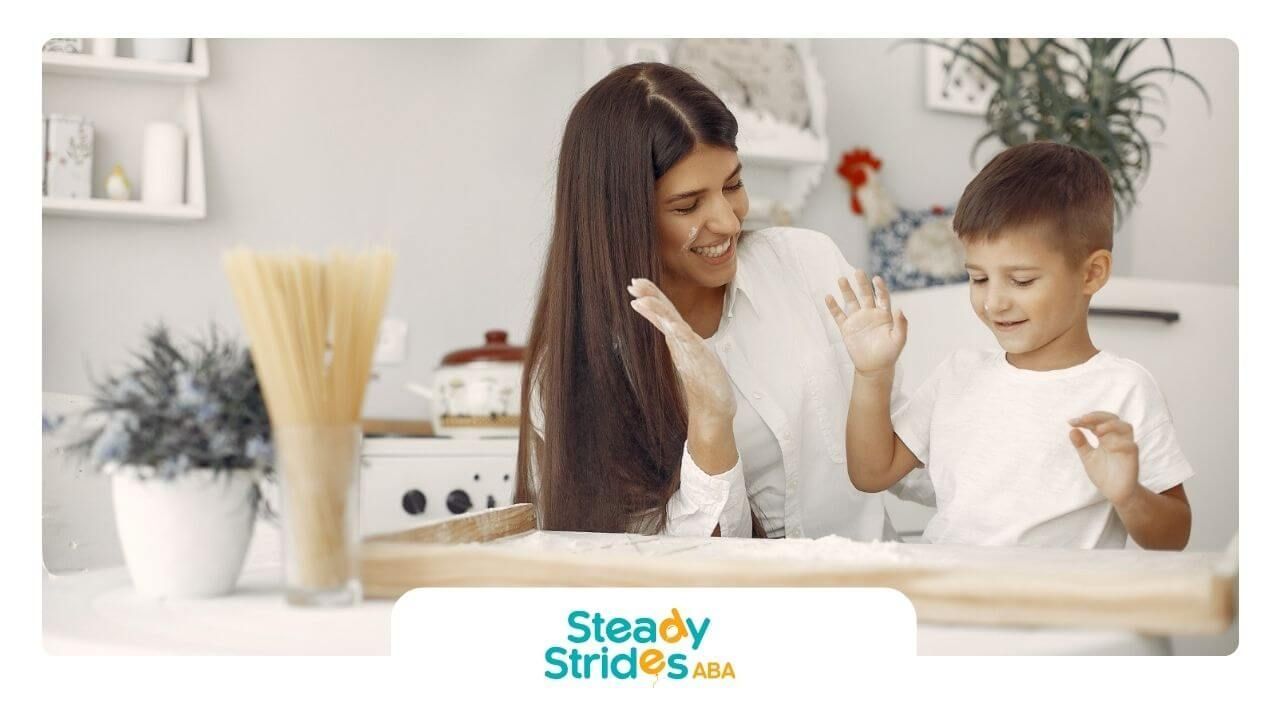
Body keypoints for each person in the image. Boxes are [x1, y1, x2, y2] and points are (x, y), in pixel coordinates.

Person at [514, 62, 923, 538]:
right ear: (620, 218)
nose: (729, 222)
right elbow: (663, 567)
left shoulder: (806, 263)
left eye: (733, 185)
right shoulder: (573, 375)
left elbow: (906, 448)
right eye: (687, 206)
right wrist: (710, 419)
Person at [826, 141, 1193, 549]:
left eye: (1021, 281)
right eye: (978, 278)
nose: (993, 301)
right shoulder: (958, 374)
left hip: (1057, 607)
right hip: (951, 595)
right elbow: (870, 473)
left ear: (1092, 273)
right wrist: (873, 373)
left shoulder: (1124, 389)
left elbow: (1173, 538)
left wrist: (1129, 495)